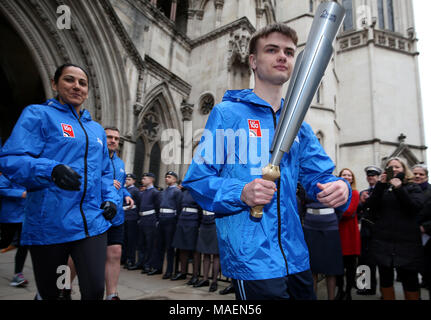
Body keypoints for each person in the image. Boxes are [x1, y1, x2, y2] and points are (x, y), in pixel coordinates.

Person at [182, 23, 351, 300]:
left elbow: (318, 175)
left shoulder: (299, 125)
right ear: (252, 61)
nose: (282, 56)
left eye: (288, 51)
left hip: (296, 255)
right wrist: (241, 192)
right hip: (253, 258)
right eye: (271, 50)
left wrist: (338, 186)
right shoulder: (227, 114)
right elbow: (198, 179)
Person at [0, 64, 119, 300]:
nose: (76, 86)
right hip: (51, 223)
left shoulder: (95, 130)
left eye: (82, 83)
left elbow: (105, 172)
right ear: (55, 84)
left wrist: (111, 199)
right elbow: (11, 159)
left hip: (92, 223)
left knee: (94, 290)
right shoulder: (38, 115)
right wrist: (51, 170)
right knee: (55, 291)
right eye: (69, 80)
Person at [363, 157, 424, 300]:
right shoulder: (382, 188)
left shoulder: (412, 187)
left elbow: (414, 207)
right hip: (383, 241)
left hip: (407, 243)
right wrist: (380, 185)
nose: (394, 170)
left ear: (404, 169)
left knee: (410, 280)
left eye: (398, 167)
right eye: (391, 167)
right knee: (385, 279)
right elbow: (370, 207)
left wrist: (399, 188)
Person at [104, 127, 134, 300]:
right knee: (80, 257)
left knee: (115, 252)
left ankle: (112, 294)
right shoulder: (94, 158)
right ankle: (65, 287)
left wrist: (128, 196)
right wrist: (106, 181)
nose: (113, 140)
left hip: (116, 216)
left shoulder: (120, 163)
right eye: (109, 137)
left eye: (116, 138)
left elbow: (121, 187)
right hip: (97, 214)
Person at [302, 200, 344, 300]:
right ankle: (312, 297)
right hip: (310, 226)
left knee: (331, 269)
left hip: (330, 226)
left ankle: (331, 298)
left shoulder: (335, 183)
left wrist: (331, 220)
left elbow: (341, 206)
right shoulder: (305, 184)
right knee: (312, 268)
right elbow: (302, 204)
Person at [149, 171, 182, 279]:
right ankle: (157, 267)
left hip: (171, 219)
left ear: (175, 179)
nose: (166, 179)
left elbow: (178, 207)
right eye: (166, 177)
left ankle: (169, 271)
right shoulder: (163, 191)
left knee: (169, 247)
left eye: (169, 177)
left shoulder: (177, 191)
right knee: (159, 245)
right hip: (162, 218)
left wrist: (175, 221)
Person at [356, 165, 382, 296]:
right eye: (369, 176)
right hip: (364, 230)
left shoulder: (382, 191)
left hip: (377, 231)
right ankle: (362, 286)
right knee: (362, 259)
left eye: (373, 176)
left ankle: (372, 288)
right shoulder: (363, 193)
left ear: (378, 177)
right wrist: (361, 202)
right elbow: (359, 211)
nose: (371, 178)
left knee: (374, 261)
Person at [335, 168, 361, 300]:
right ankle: (340, 290)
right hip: (337, 232)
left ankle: (348, 292)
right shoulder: (337, 193)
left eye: (349, 175)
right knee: (338, 266)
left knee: (350, 267)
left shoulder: (355, 193)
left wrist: (333, 209)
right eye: (344, 174)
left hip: (349, 234)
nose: (346, 177)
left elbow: (349, 212)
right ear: (339, 177)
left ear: (352, 178)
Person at [0, 174, 29, 287]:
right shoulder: (9, 171)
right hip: (9, 216)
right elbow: (1, 189)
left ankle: (18, 275)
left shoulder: (29, 172)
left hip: (25, 215)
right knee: (5, 242)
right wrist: (20, 194)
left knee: (23, 245)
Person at [171, 185, 201, 284]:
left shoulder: (198, 191)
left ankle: (195, 275)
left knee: (194, 250)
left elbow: (200, 209)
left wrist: (198, 224)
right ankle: (182, 272)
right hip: (182, 220)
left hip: (193, 221)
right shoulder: (183, 192)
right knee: (182, 248)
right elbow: (179, 206)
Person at [137, 173, 160, 274]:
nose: (142, 180)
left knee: (150, 243)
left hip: (151, 219)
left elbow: (157, 206)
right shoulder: (142, 193)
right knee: (141, 242)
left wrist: (156, 220)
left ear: (151, 180)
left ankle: (148, 264)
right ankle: (141, 262)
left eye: (144, 178)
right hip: (142, 218)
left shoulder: (155, 192)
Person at [193, 209, 220, 292]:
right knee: (205, 253)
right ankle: (205, 279)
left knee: (216, 254)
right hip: (204, 222)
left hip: (216, 221)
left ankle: (214, 281)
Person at [123, 173, 141, 270]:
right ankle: (124, 258)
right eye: (126, 179)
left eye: (129, 179)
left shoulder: (135, 190)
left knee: (131, 240)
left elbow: (139, 204)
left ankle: (131, 259)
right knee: (124, 239)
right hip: (124, 216)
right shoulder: (124, 190)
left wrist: (138, 217)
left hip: (132, 216)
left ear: (134, 181)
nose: (127, 181)